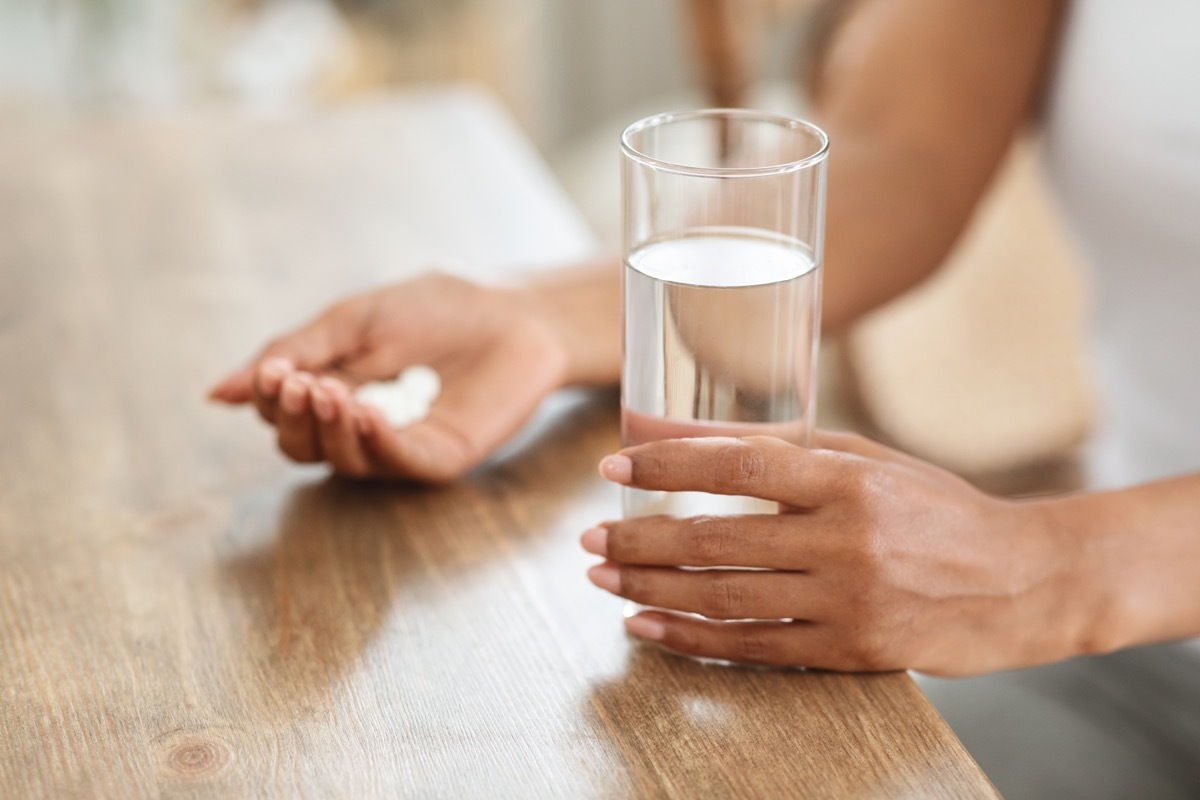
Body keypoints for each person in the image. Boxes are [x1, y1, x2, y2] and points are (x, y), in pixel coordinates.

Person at [210, 2, 1200, 791]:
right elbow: (900, 151)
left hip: (1111, 608)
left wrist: (1053, 570)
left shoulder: (1063, 582)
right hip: (1136, 672)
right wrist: (547, 316)